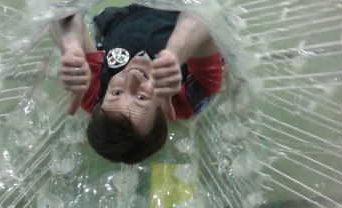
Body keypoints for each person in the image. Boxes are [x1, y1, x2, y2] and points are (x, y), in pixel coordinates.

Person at [50, 4, 223, 164]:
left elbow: (62, 9)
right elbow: (206, 11)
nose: (131, 78)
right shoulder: (190, 94)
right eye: (140, 97)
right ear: (163, 112)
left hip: (127, 16)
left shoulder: (92, 91)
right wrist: (176, 53)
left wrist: (71, 48)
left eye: (116, 92)